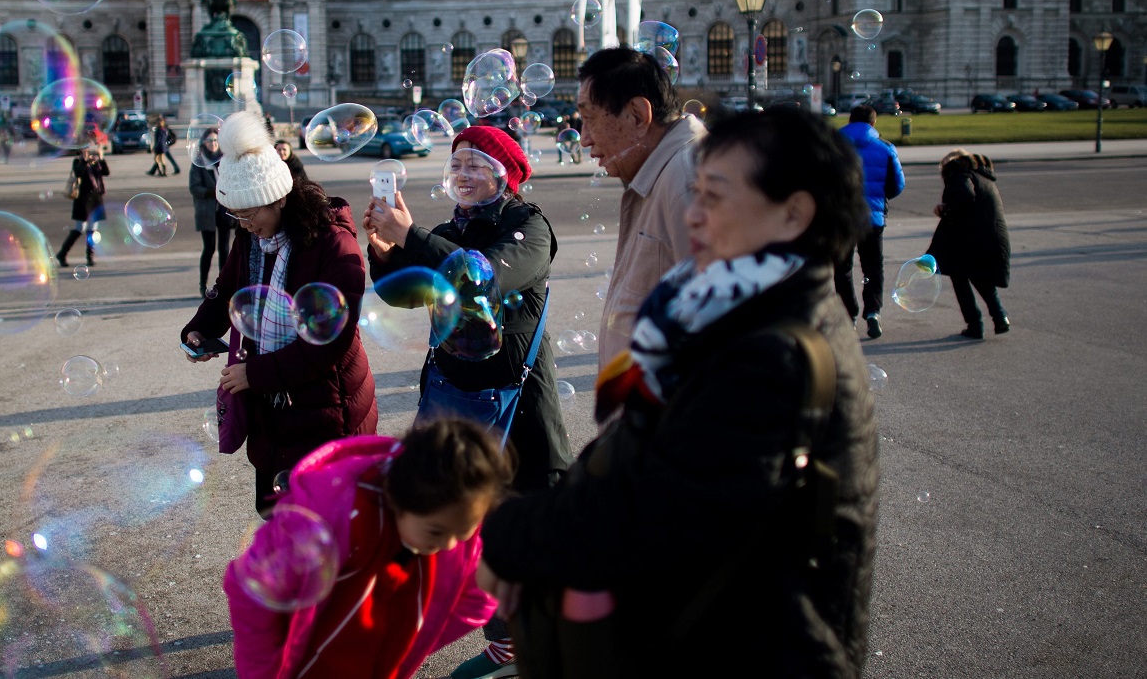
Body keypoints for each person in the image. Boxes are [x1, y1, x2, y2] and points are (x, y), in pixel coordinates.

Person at [476, 108, 880, 678]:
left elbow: (658, 511)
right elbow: (634, 456)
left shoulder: (769, 353)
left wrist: (502, 540)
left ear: (794, 213)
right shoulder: (729, 308)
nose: (691, 213)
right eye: (696, 192)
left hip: (761, 651)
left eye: (714, 196)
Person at [364, 124, 571, 679]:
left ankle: (535, 648)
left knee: (520, 533)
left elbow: (482, 278)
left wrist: (413, 238)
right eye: (456, 164)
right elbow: (401, 293)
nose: (463, 173)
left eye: (476, 164)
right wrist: (384, 253)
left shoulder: (529, 226)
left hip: (519, 407)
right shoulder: (444, 230)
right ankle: (501, 643)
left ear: (507, 175)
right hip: (457, 400)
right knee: (462, 526)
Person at [182, 111, 377, 515]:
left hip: (328, 409)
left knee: (328, 526)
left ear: (281, 197)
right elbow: (226, 291)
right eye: (237, 215)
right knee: (280, 520)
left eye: (252, 213)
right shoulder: (251, 238)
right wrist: (199, 330)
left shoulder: (333, 245)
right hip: (274, 410)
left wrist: (253, 374)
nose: (246, 224)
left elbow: (329, 343)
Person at [225, 419, 510, 679]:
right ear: (399, 499)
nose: (449, 544)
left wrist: (409, 642)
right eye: (437, 532)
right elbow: (248, 591)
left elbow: (477, 597)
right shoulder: (331, 516)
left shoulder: (450, 517)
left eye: (464, 532)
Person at [576, 46, 705, 369]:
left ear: (637, 115)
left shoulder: (691, 182)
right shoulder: (666, 173)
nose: (584, 139)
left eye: (589, 118)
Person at [835, 105, 905, 339]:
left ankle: (849, 312)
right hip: (871, 218)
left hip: (841, 219)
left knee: (842, 269)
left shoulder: (833, 146)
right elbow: (897, 185)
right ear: (873, 124)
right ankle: (873, 311)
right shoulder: (885, 148)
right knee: (873, 268)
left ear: (849, 121)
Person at [927, 149, 1011, 339]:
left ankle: (975, 324)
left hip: (972, 237)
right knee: (981, 278)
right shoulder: (983, 177)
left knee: (959, 277)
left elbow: (964, 198)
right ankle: (1000, 317)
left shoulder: (959, 175)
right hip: (991, 235)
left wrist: (946, 210)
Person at [190, 129, 233, 297]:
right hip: (207, 211)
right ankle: (203, 284)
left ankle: (224, 284)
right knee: (209, 249)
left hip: (224, 210)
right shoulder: (199, 163)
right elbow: (194, 188)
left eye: (216, 140)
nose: (213, 143)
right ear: (204, 143)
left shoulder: (226, 161)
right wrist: (212, 191)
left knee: (224, 248)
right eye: (209, 141)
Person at [55, 143, 109, 268]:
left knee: (92, 229)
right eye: (87, 150)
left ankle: (90, 257)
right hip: (83, 200)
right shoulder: (78, 162)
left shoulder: (96, 162)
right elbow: (78, 173)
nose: (90, 152)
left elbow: (106, 172)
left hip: (96, 198)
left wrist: (101, 157)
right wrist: (84, 160)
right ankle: (62, 254)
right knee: (79, 228)